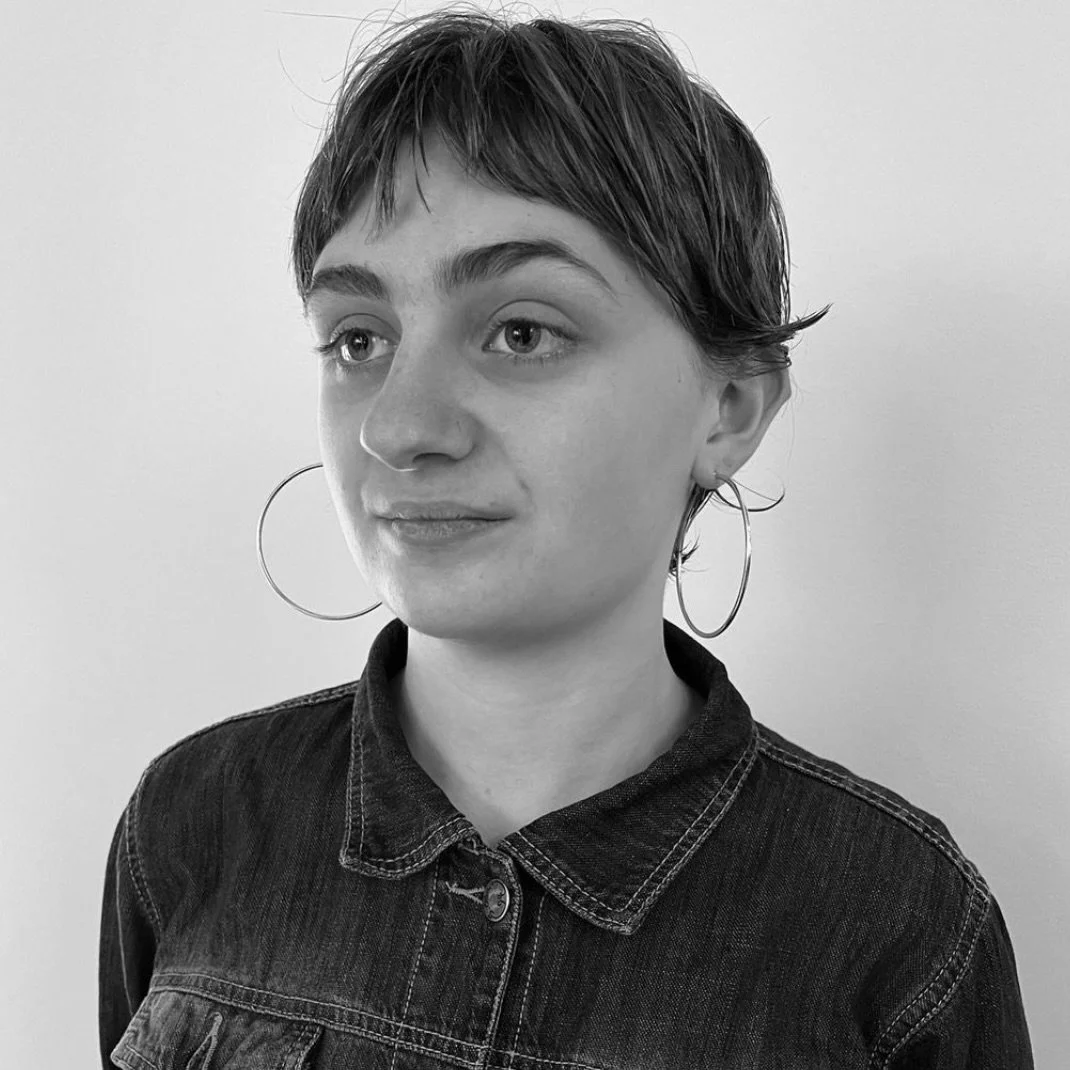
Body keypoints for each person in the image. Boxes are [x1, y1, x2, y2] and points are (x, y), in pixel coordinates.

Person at [98, 8, 1034, 1068]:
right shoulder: (192, 823)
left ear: (726, 407)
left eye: (522, 331)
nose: (398, 427)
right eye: (358, 337)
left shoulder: (897, 935)